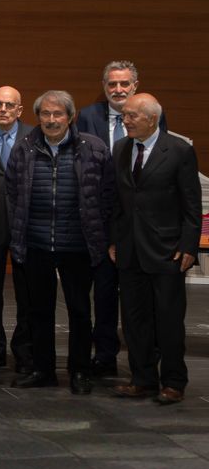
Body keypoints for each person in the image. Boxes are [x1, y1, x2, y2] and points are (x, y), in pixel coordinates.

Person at [4, 90, 114, 395]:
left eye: (58, 114)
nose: (51, 120)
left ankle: (80, 370)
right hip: (36, 242)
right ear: (37, 117)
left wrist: (101, 235)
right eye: (45, 114)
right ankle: (43, 369)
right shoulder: (23, 148)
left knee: (79, 310)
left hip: (78, 245)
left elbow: (107, 196)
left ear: (71, 116)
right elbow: (12, 194)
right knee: (39, 311)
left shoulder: (93, 148)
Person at [75, 61, 166, 379]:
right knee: (102, 292)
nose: (118, 89)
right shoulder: (87, 116)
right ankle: (105, 355)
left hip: (136, 224)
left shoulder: (153, 114)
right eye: (112, 84)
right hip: (97, 219)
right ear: (104, 86)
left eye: (124, 83)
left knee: (138, 297)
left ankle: (145, 359)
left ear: (135, 85)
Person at [110, 94, 200, 405]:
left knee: (169, 319)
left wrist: (189, 244)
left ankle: (174, 381)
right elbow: (116, 201)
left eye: (133, 115)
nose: (127, 120)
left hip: (167, 250)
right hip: (129, 249)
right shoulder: (120, 149)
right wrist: (114, 240)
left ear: (153, 118)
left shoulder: (179, 150)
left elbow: (191, 204)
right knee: (134, 319)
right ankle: (142, 378)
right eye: (125, 115)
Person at [0, 86, 30, 373]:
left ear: (19, 110)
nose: (3, 109)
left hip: (26, 225)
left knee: (27, 292)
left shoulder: (33, 138)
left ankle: (24, 351)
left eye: (9, 105)